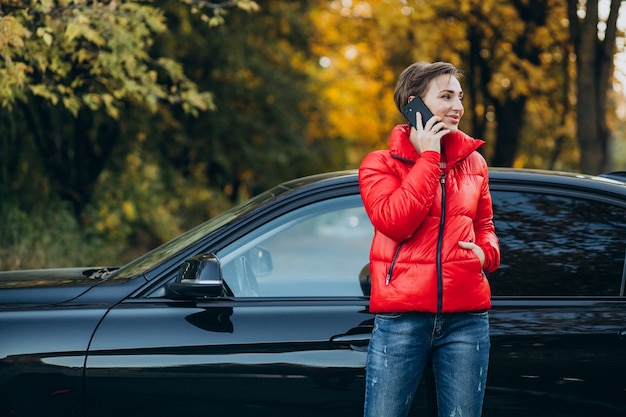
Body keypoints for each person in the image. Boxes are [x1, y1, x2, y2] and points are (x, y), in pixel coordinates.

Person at [358, 61, 500, 417]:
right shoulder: (379, 164)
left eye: (460, 97)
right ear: (413, 104)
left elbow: (485, 224)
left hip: (466, 319)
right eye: (446, 96)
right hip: (402, 319)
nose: (459, 106)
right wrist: (429, 157)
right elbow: (395, 222)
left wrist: (486, 255)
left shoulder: (475, 165)